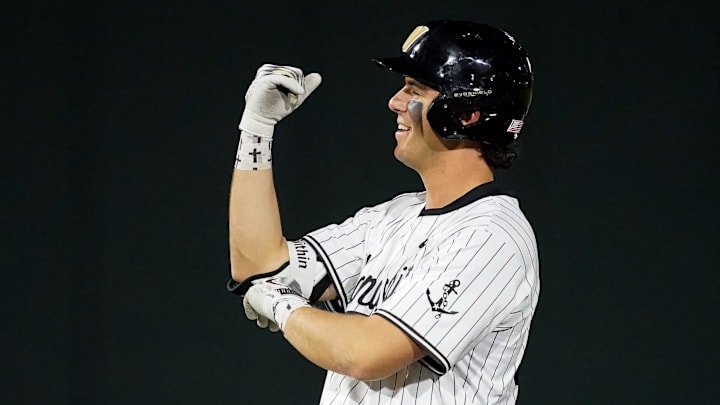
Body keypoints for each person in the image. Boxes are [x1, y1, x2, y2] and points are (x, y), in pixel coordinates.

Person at [228, 20, 540, 405]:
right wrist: (257, 128)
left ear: (467, 113)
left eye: (415, 90)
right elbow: (259, 264)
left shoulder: (493, 237)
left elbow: (368, 353)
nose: (395, 102)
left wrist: (280, 304)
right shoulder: (395, 216)